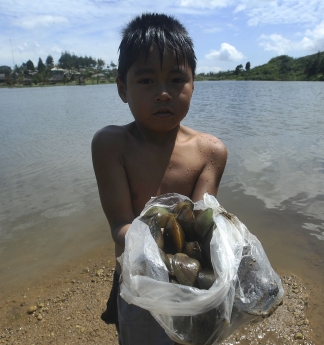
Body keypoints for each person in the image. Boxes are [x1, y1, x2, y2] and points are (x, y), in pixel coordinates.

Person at [91, 13, 227, 345]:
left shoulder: (210, 151)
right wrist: (160, 260)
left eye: (177, 80)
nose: (163, 93)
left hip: (189, 286)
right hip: (138, 280)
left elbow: (200, 224)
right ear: (123, 88)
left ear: (194, 85)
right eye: (147, 80)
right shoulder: (111, 145)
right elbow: (120, 227)